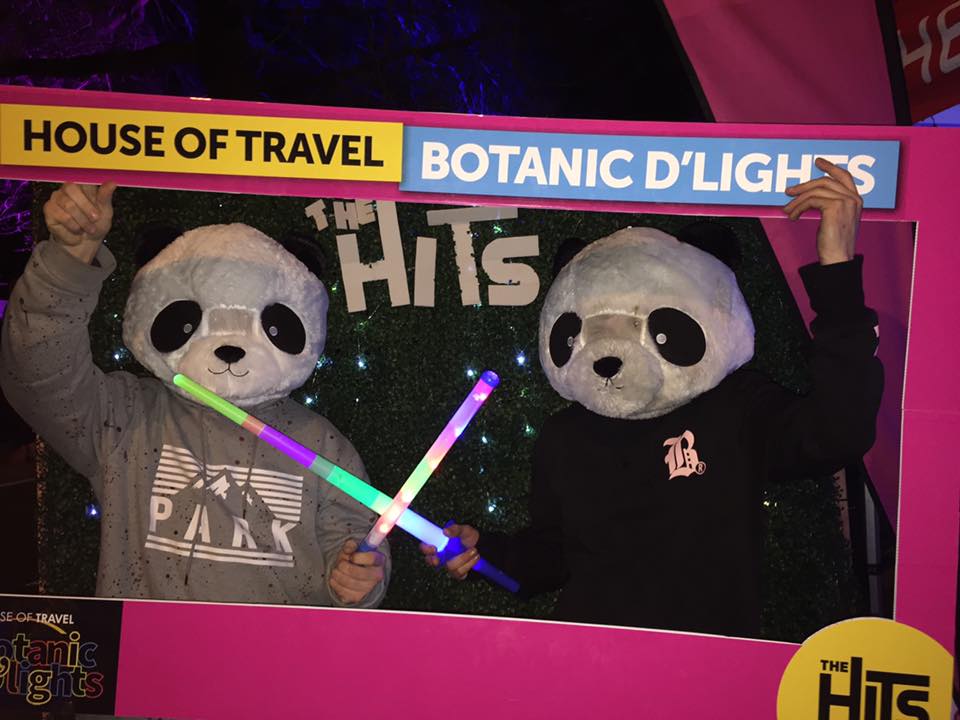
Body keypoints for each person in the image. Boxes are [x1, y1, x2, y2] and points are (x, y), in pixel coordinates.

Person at [422, 159, 883, 636]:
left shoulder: (735, 408)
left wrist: (838, 274)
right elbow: (552, 557)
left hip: (706, 660)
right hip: (592, 658)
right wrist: (485, 553)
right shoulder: (564, 436)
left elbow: (839, 430)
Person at [0, 182, 387, 607]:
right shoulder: (122, 415)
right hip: (143, 647)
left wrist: (359, 577)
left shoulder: (322, 445)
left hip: (275, 649)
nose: (229, 344)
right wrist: (67, 263)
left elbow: (355, 538)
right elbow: (39, 372)